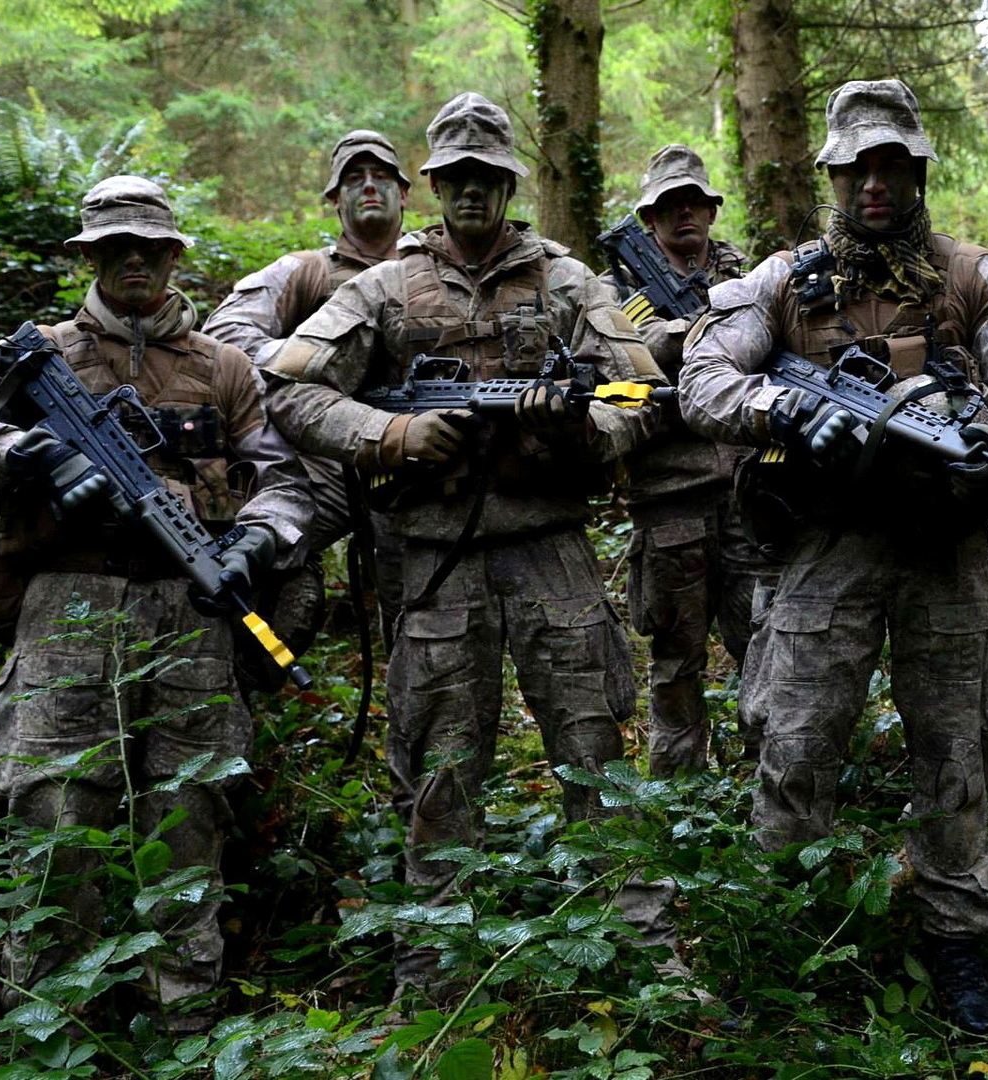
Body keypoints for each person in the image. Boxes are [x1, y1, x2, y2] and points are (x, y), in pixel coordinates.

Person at [259, 92, 667, 1002]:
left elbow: (647, 395)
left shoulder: (566, 283)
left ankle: (643, 956)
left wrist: (583, 429)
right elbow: (285, 388)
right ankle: (436, 978)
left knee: (595, 748)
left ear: (509, 183)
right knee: (439, 768)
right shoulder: (381, 288)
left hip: (550, 549)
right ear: (435, 185)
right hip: (434, 560)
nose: (472, 191)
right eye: (456, 177)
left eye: (489, 176)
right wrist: (387, 434)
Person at [677, 79, 988, 1035]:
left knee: (958, 747)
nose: (875, 184)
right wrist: (785, 409)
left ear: (917, 170)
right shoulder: (781, 280)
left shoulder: (971, 274)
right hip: (823, 549)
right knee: (797, 744)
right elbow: (702, 375)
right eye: (858, 168)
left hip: (945, 547)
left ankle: (959, 935)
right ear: (834, 177)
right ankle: (784, 932)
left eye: (893, 165)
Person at [0, 176, 311, 1032]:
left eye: (150, 248)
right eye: (113, 247)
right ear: (87, 256)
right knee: (53, 814)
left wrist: (258, 537)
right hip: (65, 611)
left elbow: (287, 479)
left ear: (173, 257)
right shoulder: (34, 354)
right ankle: (52, 1025)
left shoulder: (226, 367)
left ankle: (182, 1022)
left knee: (191, 816)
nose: (134, 261)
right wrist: (26, 452)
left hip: (190, 613)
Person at [204, 129, 413, 688]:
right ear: (334, 199)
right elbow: (225, 336)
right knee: (258, 565)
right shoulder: (305, 271)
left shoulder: (434, 271)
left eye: (382, 178)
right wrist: (311, 360)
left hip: (413, 463)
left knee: (420, 621)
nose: (369, 187)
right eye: (353, 179)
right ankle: (234, 690)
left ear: (406, 192)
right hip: (320, 463)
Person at [600, 144, 775, 775]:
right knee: (676, 662)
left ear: (711, 209)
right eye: (669, 206)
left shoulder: (748, 279)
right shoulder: (615, 286)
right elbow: (621, 360)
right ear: (650, 218)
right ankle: (677, 797)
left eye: (694, 203)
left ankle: (766, 781)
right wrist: (691, 337)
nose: (684, 216)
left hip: (746, 492)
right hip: (670, 499)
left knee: (762, 644)